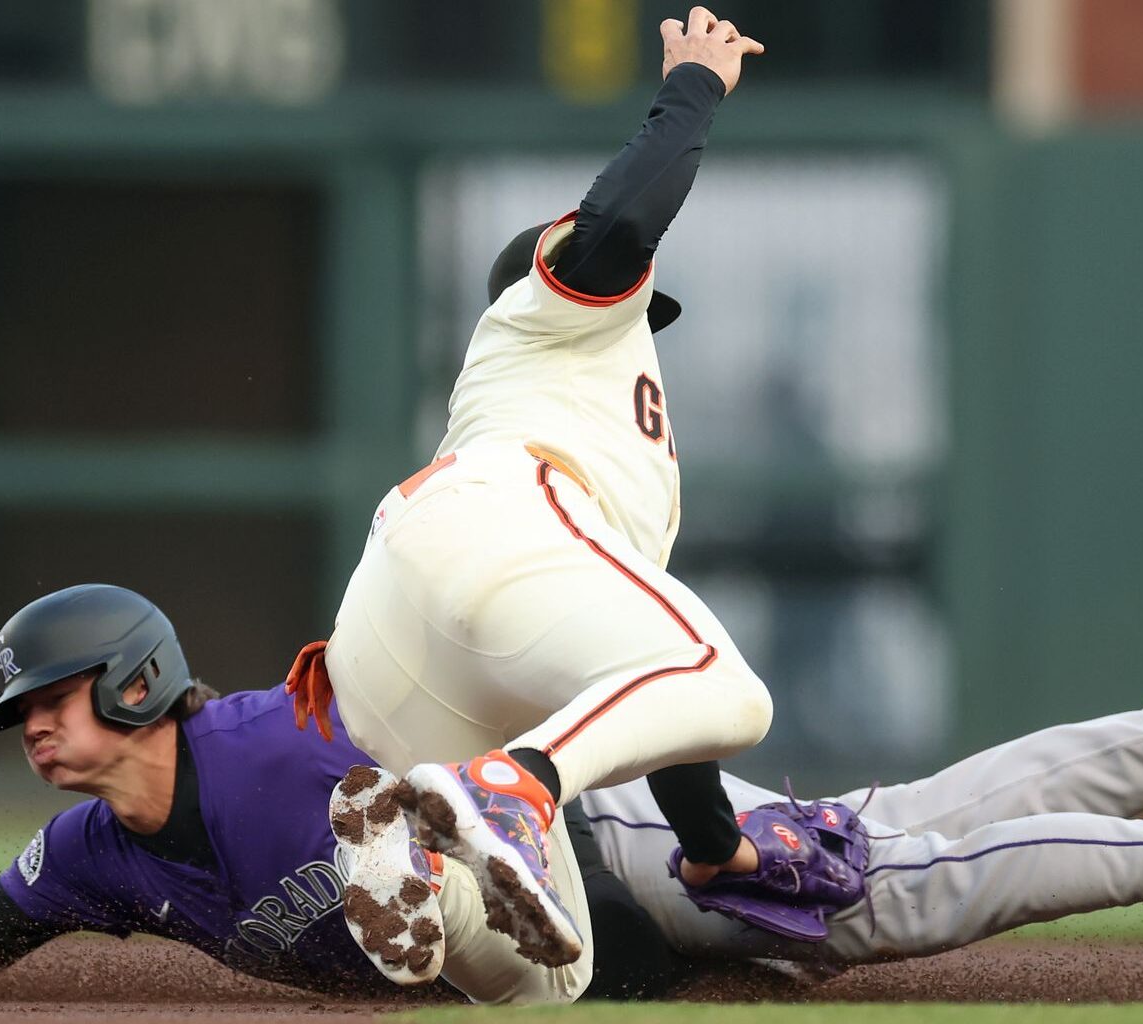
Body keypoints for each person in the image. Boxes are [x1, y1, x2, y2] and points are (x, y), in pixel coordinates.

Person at [0, 586, 1143, 1004]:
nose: (37, 737)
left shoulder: (262, 754)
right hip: (571, 890)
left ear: (137, 681)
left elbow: (479, 736)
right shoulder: (94, 844)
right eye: (25, 722)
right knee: (921, 813)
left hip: (592, 842)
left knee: (878, 897)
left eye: (52, 706)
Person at [289, 5, 781, 986]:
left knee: (550, 979)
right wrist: (693, 85)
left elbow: (648, 700)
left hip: (396, 642)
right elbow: (622, 221)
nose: (647, 308)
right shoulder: (543, 306)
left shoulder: (601, 420)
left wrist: (713, 845)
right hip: (495, 523)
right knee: (735, 690)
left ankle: (407, 861)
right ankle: (519, 785)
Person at [341, 594, 1143, 1001]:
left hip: (587, 819)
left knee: (884, 891)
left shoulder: (477, 513)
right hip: (598, 795)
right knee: (927, 822)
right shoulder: (530, 479)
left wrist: (708, 838)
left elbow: (654, 664)